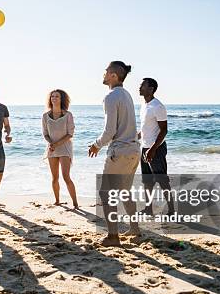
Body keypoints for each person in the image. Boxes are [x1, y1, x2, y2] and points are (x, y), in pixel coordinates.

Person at [88, 61, 141, 247]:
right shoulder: (126, 95)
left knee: (106, 193)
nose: (103, 75)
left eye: (105, 72)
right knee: (125, 191)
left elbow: (109, 131)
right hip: (134, 150)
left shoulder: (110, 96)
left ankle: (113, 236)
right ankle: (134, 229)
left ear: (113, 75)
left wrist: (96, 145)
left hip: (120, 151)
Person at [139, 78, 175, 215]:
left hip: (156, 149)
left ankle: (171, 210)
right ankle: (148, 209)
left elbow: (164, 130)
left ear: (151, 88)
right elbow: (146, 128)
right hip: (145, 148)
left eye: (143, 85)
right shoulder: (144, 105)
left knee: (162, 181)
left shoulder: (158, 106)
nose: (140, 87)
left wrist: (153, 149)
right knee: (147, 182)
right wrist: (134, 138)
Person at [42, 89, 79, 209]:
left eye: (57, 96)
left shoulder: (68, 115)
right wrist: (51, 143)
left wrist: (56, 144)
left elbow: (70, 134)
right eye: (52, 96)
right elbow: (45, 134)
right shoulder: (45, 116)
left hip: (64, 149)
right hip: (51, 149)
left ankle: (75, 203)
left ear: (61, 99)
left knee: (66, 176)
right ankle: (57, 201)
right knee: (54, 178)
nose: (54, 98)